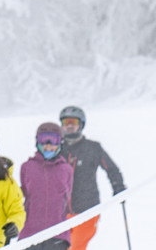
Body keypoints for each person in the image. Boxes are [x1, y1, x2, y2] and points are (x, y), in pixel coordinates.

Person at [57, 106, 125, 250]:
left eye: (73, 122)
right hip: (60, 212)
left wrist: (118, 187)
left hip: (87, 210)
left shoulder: (93, 148)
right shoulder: (56, 150)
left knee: (76, 247)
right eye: (66, 122)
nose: (69, 126)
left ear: (81, 124)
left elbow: (112, 169)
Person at [19, 122, 74, 250]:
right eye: (44, 140)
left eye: (53, 141)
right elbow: (25, 195)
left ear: (60, 143)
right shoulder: (27, 167)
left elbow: (67, 199)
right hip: (30, 234)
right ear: (37, 142)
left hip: (58, 235)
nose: (48, 145)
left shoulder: (66, 169)